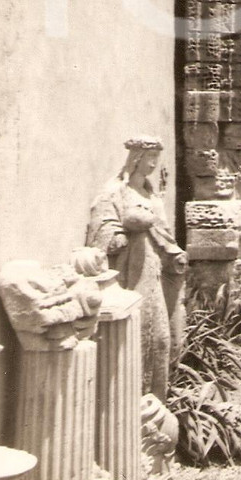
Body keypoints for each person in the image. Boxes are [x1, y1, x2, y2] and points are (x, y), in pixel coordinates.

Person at [87, 137, 187, 398]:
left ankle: (156, 404)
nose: (153, 163)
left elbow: (163, 232)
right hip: (131, 273)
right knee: (138, 336)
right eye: (149, 157)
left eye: (157, 157)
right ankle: (133, 402)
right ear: (135, 159)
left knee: (162, 340)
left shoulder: (151, 195)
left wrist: (172, 252)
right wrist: (119, 236)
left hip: (155, 272)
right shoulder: (116, 192)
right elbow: (102, 225)